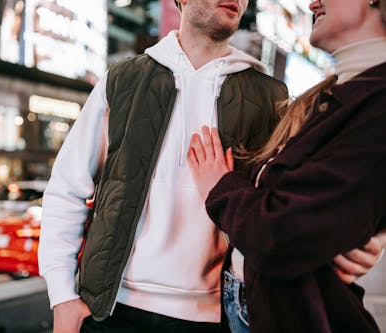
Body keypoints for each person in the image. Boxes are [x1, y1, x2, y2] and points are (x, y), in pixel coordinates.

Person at [39, 0, 381, 332]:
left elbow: (301, 206)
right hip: (111, 311)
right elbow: (66, 190)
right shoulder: (122, 80)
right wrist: (62, 297)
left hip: (216, 316)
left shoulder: (272, 97)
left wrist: (363, 236)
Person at [187, 0, 386, 332]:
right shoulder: (331, 97)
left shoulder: (374, 104)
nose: (313, 3)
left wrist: (220, 186)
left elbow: (279, 234)